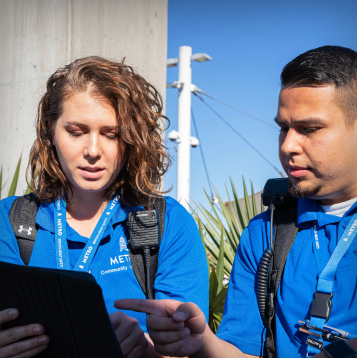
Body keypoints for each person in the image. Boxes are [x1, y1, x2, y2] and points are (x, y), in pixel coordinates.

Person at [115, 45, 357, 358]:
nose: (288, 146)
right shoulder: (266, 231)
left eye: (309, 129)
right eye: (283, 128)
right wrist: (202, 343)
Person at [0, 57, 208, 358]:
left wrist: (148, 351)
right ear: (50, 130)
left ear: (132, 138)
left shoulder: (169, 223)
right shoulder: (9, 221)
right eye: (76, 131)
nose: (93, 151)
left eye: (111, 134)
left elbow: (187, 348)